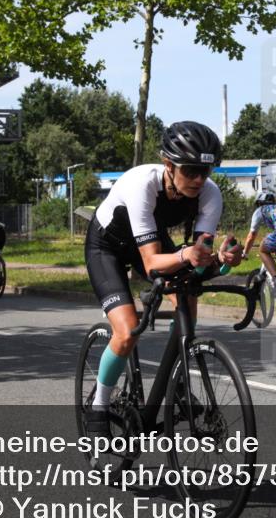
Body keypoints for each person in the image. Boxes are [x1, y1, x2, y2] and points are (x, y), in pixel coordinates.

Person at [84, 121, 244, 437]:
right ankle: (99, 404)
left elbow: (197, 264)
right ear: (168, 164)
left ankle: (179, 382)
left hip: (152, 242)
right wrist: (187, 255)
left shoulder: (210, 194)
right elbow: (153, 263)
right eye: (191, 170)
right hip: (108, 248)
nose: (199, 179)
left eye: (206, 171)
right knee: (127, 330)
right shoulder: (142, 185)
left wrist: (222, 263)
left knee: (189, 295)